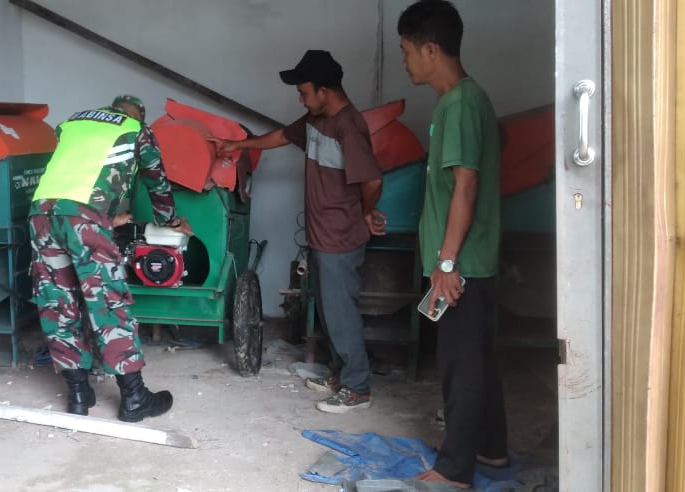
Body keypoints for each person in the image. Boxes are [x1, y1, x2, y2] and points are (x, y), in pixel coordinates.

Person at [211, 50, 386, 414]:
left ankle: (357, 388)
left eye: (304, 92)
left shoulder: (348, 126)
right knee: (329, 310)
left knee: (341, 313)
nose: (300, 99)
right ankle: (342, 375)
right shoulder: (316, 119)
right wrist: (240, 145)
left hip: (340, 237)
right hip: (322, 236)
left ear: (325, 90)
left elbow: (372, 180)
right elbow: (281, 135)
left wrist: (366, 213)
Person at [397, 1, 508, 487]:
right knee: (479, 358)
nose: (404, 61)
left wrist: (445, 263)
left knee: (460, 367)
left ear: (431, 50)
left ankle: (454, 470)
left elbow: (466, 185)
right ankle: (492, 450)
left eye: (406, 50)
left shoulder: (460, 104)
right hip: (473, 258)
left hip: (461, 264)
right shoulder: (467, 100)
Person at [29, 95, 193, 423]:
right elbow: (156, 181)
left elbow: (76, 173)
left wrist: (105, 217)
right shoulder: (136, 130)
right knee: (106, 302)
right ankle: (134, 398)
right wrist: (170, 220)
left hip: (41, 213)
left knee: (57, 302)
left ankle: (79, 394)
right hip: (83, 218)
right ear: (139, 115)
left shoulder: (72, 123)